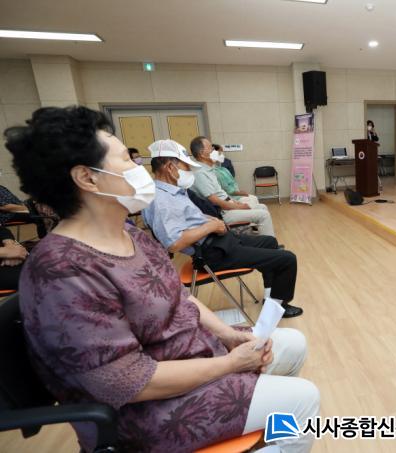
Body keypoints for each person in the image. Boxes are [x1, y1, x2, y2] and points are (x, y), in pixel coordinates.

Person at [5, 106, 318, 453]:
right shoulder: (62, 271)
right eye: (127, 159)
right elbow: (127, 382)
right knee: (303, 399)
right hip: (147, 412)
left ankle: (262, 427)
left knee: (293, 343)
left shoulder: (129, 234)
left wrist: (229, 336)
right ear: (88, 178)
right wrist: (230, 364)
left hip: (191, 356)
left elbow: (181, 297)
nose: (139, 169)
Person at [142, 139, 303, 318]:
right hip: (212, 253)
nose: (189, 170)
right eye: (186, 166)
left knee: (270, 242)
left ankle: (270, 299)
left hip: (219, 242)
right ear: (170, 167)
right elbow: (174, 243)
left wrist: (207, 219)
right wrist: (210, 226)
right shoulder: (161, 200)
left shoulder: (172, 192)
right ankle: (277, 309)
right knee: (287, 259)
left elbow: (186, 220)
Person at [189, 136, 276, 237]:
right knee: (263, 215)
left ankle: (264, 241)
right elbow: (215, 201)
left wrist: (234, 202)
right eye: (211, 148)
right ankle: (270, 244)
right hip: (223, 213)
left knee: (263, 207)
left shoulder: (208, 169)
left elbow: (220, 193)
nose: (215, 151)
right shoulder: (200, 173)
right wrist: (239, 207)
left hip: (228, 206)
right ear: (202, 154)